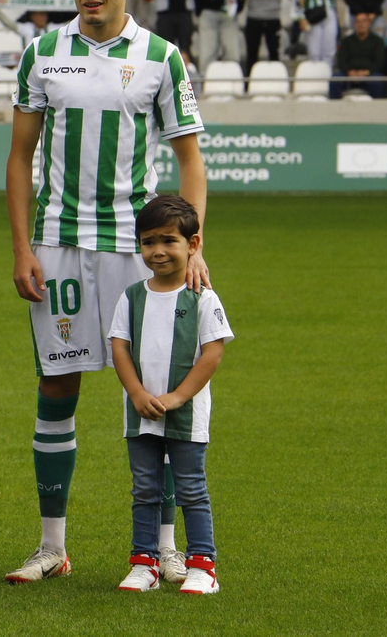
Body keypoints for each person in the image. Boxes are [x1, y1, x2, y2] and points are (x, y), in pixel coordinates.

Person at [5, 0, 208, 588]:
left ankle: (165, 548)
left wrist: (193, 247)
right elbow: (19, 158)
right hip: (58, 245)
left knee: (154, 395)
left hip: (138, 250)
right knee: (57, 388)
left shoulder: (160, 57)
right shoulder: (42, 52)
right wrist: (21, 246)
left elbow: (188, 159)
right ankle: (51, 546)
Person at [109, 195, 231, 595]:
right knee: (144, 488)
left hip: (186, 414)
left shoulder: (202, 297)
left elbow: (213, 352)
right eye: (147, 242)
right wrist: (136, 392)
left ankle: (203, 566)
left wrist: (178, 396)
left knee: (191, 488)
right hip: (140, 412)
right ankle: (144, 564)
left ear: (192, 244)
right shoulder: (131, 296)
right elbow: (120, 347)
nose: (157, 251)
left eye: (168, 241)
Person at [331, 11, 387, 98]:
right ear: (354, 24)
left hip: (369, 75)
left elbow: (380, 62)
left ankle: (377, 110)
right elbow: (341, 61)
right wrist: (349, 72)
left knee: (377, 80)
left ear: (369, 23)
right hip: (349, 75)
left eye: (363, 21)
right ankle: (334, 109)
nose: (360, 24)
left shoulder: (377, 41)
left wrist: (366, 72)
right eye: (358, 21)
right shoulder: (346, 41)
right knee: (335, 80)